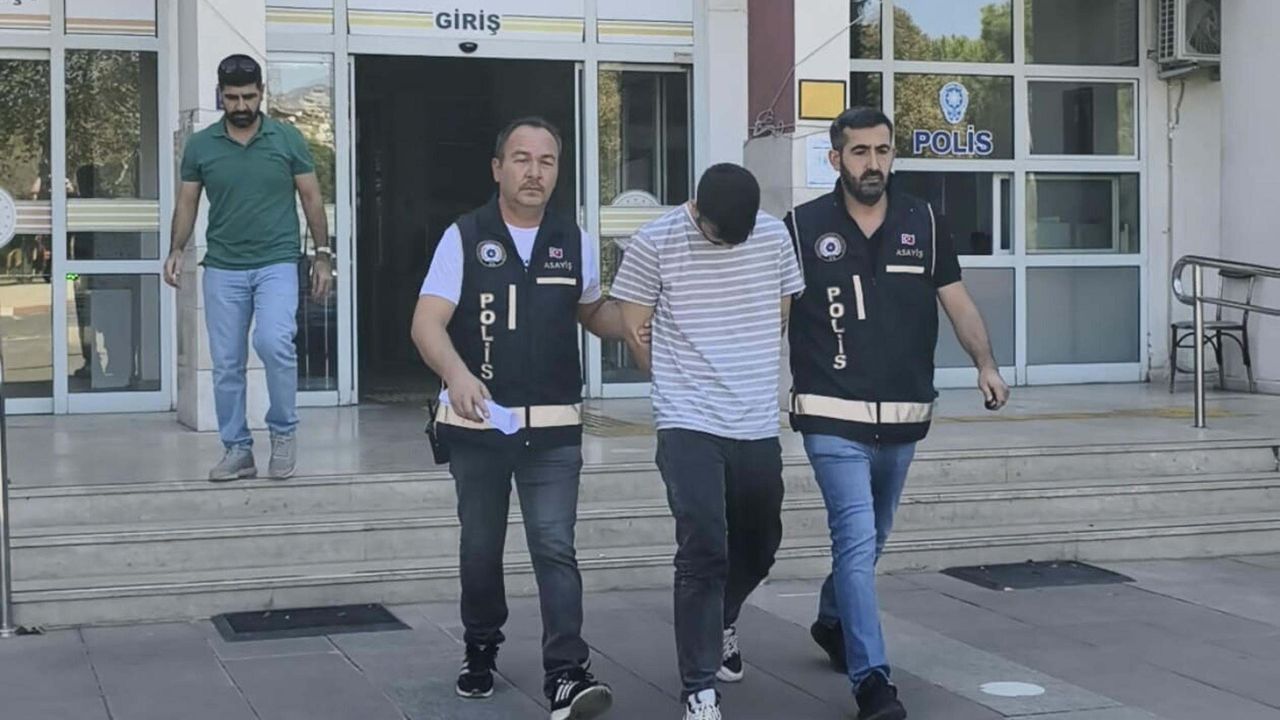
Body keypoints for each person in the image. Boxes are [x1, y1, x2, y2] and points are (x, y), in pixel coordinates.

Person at [785, 107, 1010, 720]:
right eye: (859, 152)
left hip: (905, 414)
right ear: (836, 159)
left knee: (873, 537)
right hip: (831, 413)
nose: (873, 163)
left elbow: (957, 301)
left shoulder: (924, 221)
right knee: (857, 538)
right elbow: (776, 313)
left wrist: (986, 365)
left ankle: (833, 619)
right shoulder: (802, 228)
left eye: (882, 151)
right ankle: (872, 682)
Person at [410, 117, 631, 720]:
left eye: (547, 161)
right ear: (497, 168)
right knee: (481, 549)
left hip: (554, 428)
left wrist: (640, 322)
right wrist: (457, 376)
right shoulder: (464, 236)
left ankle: (567, 672)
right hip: (479, 428)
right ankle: (481, 646)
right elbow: (427, 323)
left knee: (555, 547)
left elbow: (594, 312)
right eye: (522, 159)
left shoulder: (573, 240)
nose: (535, 172)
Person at [612, 164, 805, 720]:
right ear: (696, 210)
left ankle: (721, 618)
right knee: (703, 549)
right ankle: (699, 689)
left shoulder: (773, 236)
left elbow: (781, 314)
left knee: (761, 542)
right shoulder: (656, 241)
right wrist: (680, 382)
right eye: (722, 236)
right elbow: (636, 334)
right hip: (687, 419)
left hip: (754, 420)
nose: (731, 244)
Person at [165, 54, 331, 481]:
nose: (241, 106)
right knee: (226, 363)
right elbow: (187, 201)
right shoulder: (201, 146)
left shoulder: (287, 139)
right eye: (232, 97)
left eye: (249, 97)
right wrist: (176, 249)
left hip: (277, 261)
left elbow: (312, 198)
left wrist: (323, 255)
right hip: (223, 266)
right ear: (219, 95)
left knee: (275, 342)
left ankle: (283, 432)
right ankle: (237, 449)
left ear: (262, 94)